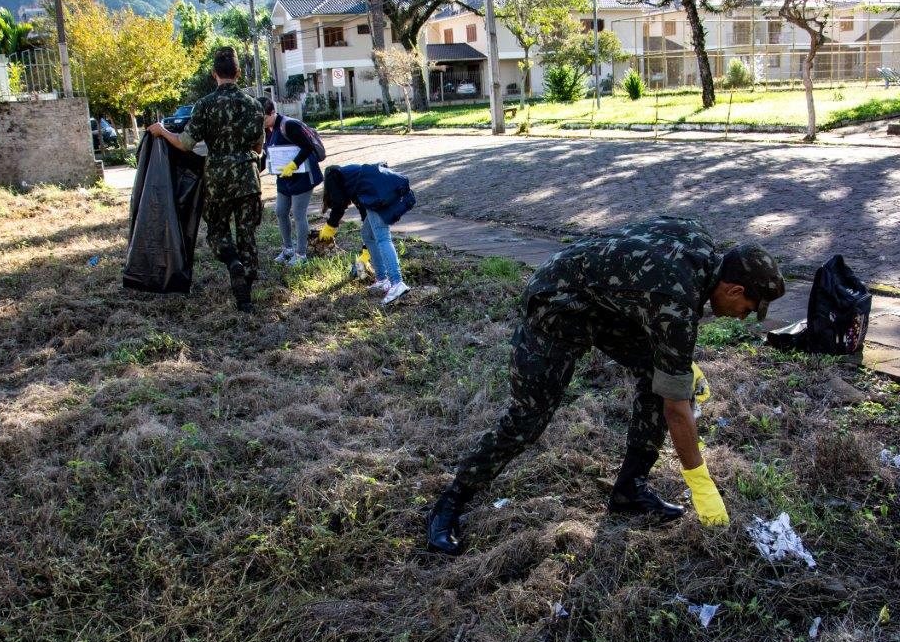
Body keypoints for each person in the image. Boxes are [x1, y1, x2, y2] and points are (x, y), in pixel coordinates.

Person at [424, 215, 786, 556]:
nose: (743, 317)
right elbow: (676, 410)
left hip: (605, 306)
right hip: (558, 303)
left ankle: (630, 488)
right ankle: (452, 500)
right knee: (527, 418)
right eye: (747, 308)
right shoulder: (676, 302)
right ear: (734, 288)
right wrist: (703, 488)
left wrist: (675, 368)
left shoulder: (696, 240)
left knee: (656, 375)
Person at [148, 47, 263, 312]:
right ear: (238, 72)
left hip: (218, 179)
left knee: (218, 230)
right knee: (247, 234)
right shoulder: (255, 105)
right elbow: (258, 149)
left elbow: (186, 144)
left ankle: (232, 259)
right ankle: (245, 296)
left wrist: (163, 131)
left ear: (214, 74)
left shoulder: (204, 105)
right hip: (248, 178)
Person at [317, 163, 415, 305]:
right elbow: (365, 214)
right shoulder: (355, 179)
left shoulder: (334, 175)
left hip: (380, 193)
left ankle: (397, 282)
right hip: (381, 191)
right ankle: (382, 279)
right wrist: (365, 250)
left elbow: (339, 204)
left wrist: (330, 226)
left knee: (382, 237)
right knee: (368, 234)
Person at [260, 97, 323, 267]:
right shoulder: (268, 129)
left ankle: (301, 254)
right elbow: (267, 153)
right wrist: (255, 172)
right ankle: (288, 249)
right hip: (284, 178)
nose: (261, 123)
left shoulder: (289, 125)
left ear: (272, 112)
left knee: (298, 214)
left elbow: (308, 146)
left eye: (263, 118)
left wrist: (294, 164)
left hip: (302, 177)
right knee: (280, 211)